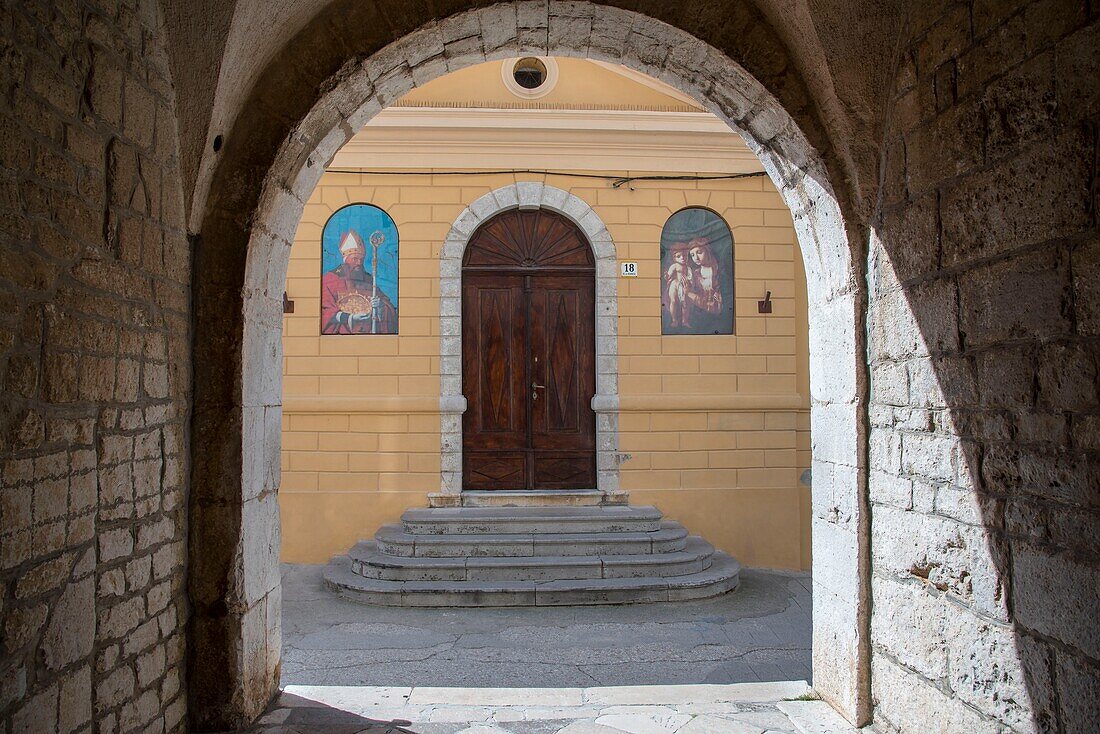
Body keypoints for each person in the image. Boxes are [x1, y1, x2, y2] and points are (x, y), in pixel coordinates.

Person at [321, 229, 397, 334]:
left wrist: (381, 306)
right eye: (355, 259)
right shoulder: (330, 279)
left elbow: (389, 307)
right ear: (346, 259)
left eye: (361, 259)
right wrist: (349, 318)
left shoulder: (369, 280)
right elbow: (324, 311)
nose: (359, 263)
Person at [664, 242, 694, 327]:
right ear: (674, 258)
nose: (682, 258)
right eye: (679, 256)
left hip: (683, 286)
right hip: (674, 284)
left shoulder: (688, 268)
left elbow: (690, 277)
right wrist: (667, 276)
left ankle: (685, 321)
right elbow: (669, 275)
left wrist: (689, 281)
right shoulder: (674, 266)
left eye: (685, 256)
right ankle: (674, 320)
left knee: (685, 303)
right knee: (673, 301)